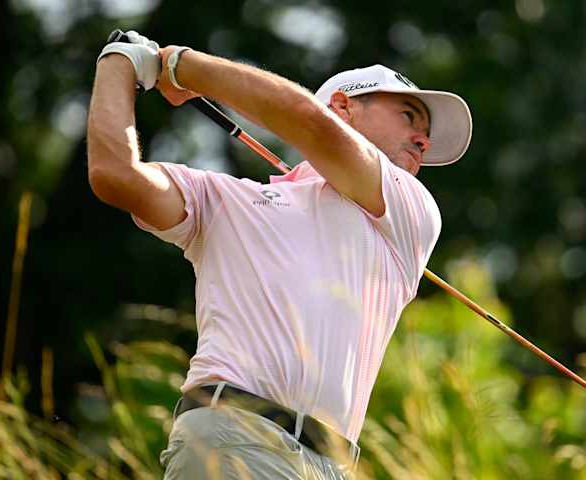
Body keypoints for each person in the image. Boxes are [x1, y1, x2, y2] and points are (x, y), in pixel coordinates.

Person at [87, 31, 472, 479]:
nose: (421, 141)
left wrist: (179, 66)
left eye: (424, 133)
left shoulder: (410, 208)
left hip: (332, 466)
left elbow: (305, 121)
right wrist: (118, 61)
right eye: (409, 117)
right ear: (344, 107)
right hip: (232, 437)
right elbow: (116, 175)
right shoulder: (223, 199)